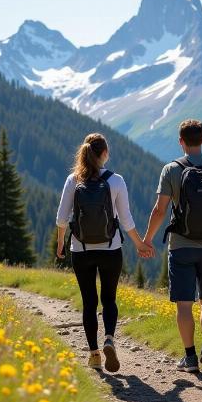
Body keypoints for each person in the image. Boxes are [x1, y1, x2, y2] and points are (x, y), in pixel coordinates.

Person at [143, 120, 202, 374]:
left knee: (184, 304)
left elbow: (160, 209)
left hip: (181, 246)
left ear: (181, 141)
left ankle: (190, 358)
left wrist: (148, 239)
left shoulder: (172, 170)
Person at [56, 133, 151, 372]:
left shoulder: (73, 180)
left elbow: (61, 218)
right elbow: (126, 219)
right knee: (109, 298)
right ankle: (109, 338)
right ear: (105, 154)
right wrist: (140, 244)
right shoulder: (116, 180)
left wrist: (60, 244)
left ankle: (95, 354)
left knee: (89, 302)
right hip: (111, 249)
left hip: (81, 249)